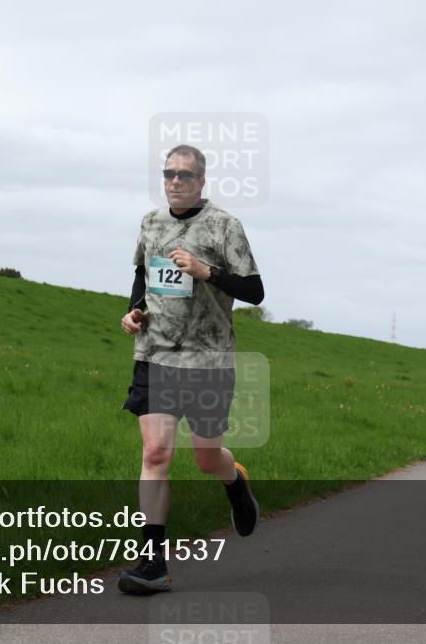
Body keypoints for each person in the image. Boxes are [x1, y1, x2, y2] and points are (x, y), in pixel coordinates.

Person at [118, 144, 265, 594]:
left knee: (205, 458)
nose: (175, 182)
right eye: (168, 174)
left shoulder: (224, 226)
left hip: (208, 359)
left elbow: (254, 290)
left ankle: (235, 482)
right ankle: (153, 564)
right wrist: (134, 312)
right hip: (156, 354)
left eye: (184, 175)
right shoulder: (150, 222)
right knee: (156, 455)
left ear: (202, 181)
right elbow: (144, 275)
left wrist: (207, 271)